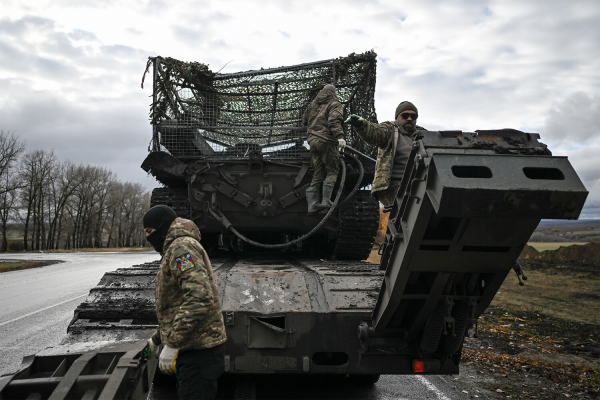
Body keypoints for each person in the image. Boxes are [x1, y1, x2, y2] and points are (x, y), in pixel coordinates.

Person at [143, 205, 227, 400]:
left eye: (150, 232)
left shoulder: (181, 248)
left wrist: (172, 344)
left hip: (199, 351)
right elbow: (177, 304)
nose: (148, 237)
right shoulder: (176, 247)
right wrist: (157, 339)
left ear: (162, 227)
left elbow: (199, 297)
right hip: (193, 346)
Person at [345, 101, 426, 208]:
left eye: (413, 116)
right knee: (410, 206)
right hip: (393, 184)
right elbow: (375, 132)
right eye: (405, 115)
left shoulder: (423, 135)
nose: (409, 119)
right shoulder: (390, 130)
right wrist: (361, 124)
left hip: (419, 182)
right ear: (397, 118)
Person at [302, 84, 346, 215]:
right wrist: (340, 137)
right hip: (326, 140)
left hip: (312, 142)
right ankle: (326, 201)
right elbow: (334, 120)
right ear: (333, 93)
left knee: (318, 173)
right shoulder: (334, 103)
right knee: (332, 171)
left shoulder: (312, 104)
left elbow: (304, 121)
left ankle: (312, 205)